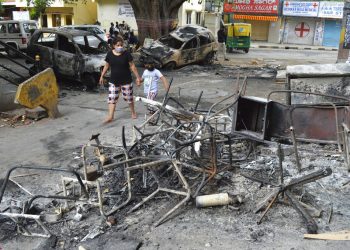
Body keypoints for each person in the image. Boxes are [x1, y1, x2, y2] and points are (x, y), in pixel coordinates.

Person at [99, 37, 142, 123]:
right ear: (113, 46)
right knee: (112, 98)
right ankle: (110, 116)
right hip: (114, 81)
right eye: (118, 45)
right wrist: (101, 76)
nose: (120, 47)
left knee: (128, 98)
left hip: (126, 80)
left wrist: (138, 77)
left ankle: (133, 112)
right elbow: (106, 66)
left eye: (121, 45)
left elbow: (132, 66)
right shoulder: (110, 54)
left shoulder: (126, 54)